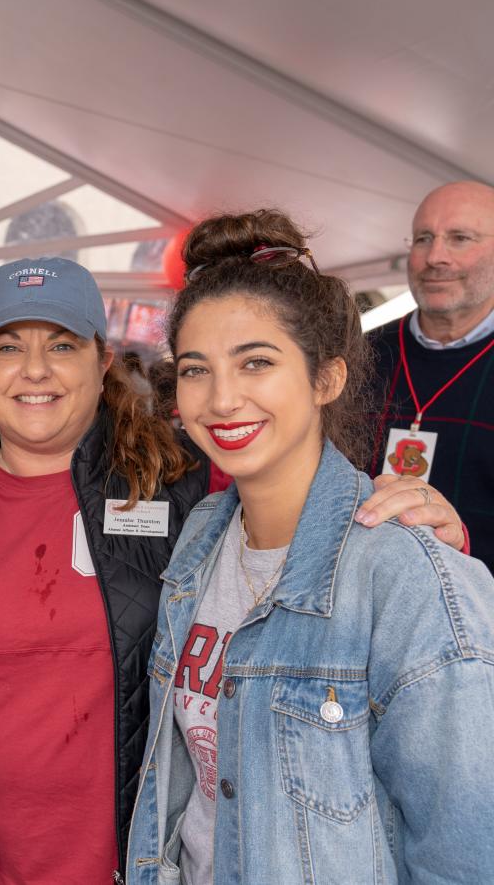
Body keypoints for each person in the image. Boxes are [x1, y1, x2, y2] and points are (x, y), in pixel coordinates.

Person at [0, 254, 463, 884]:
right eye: (7, 347)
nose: (35, 368)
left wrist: (427, 524)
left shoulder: (178, 484)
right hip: (12, 859)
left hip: (130, 857)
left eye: (61, 343)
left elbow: (456, 830)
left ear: (103, 361)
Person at [126, 211, 494, 884]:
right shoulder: (201, 539)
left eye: (256, 362)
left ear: (325, 378)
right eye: (196, 369)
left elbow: (465, 853)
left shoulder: (408, 577)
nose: (222, 398)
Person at [366, 180, 494, 567]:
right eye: (423, 238)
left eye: (460, 238)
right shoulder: (356, 357)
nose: (435, 256)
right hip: (354, 607)